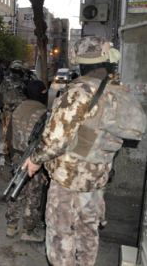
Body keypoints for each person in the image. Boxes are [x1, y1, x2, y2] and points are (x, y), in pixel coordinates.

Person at [22, 36, 146, 265]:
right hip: (98, 178)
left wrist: (36, 160)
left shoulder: (79, 91)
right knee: (88, 230)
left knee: (61, 232)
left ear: (80, 60)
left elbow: (55, 140)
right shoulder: (116, 88)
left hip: (70, 179)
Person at [5, 80, 48, 242]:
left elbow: (8, 136)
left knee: (16, 191)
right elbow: (47, 142)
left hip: (17, 155)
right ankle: (28, 231)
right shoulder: (43, 113)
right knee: (33, 195)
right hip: (34, 159)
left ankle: (11, 226)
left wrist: (10, 157)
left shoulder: (17, 109)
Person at [0, 60, 27, 166]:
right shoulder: (23, 81)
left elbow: (1, 91)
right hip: (20, 112)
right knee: (19, 135)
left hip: (10, 111)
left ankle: (8, 158)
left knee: (8, 134)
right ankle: (14, 158)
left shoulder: (6, 81)